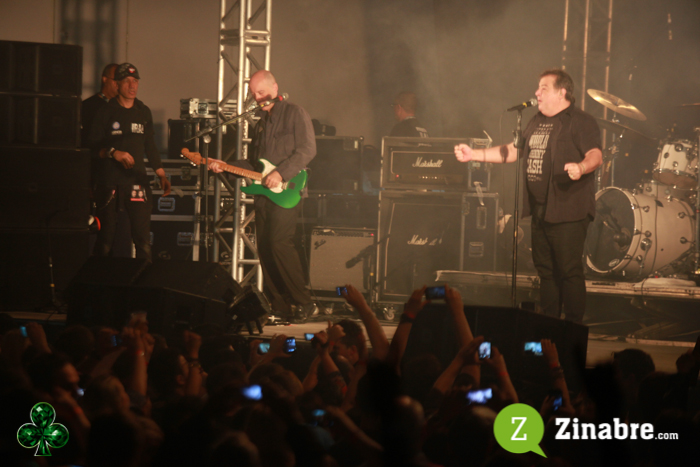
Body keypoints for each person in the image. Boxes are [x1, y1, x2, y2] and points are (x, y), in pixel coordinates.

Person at [454, 69, 602, 324]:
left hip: (569, 209)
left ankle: (573, 328)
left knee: (568, 271)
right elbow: (513, 151)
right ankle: (549, 325)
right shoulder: (536, 121)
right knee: (546, 272)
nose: (537, 93)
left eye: (544, 88)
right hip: (541, 209)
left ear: (562, 92)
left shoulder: (580, 121)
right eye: (538, 87)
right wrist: (474, 155)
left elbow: (596, 155)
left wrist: (581, 167)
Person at [209, 70, 317, 323]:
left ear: (275, 88)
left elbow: (307, 149)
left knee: (279, 242)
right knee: (266, 247)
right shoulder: (260, 124)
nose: (258, 97)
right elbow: (255, 165)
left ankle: (305, 303)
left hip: (289, 189)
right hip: (264, 194)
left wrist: (280, 173)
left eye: (261, 92)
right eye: (253, 94)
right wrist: (224, 165)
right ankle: (281, 305)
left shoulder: (295, 113)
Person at [90, 63, 171, 261]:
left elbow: (150, 145)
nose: (132, 85)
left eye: (135, 81)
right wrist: (113, 152)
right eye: (127, 81)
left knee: (143, 241)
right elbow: (92, 148)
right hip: (110, 183)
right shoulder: (105, 111)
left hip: (137, 182)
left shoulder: (143, 111)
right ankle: (99, 277)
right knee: (106, 240)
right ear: (117, 84)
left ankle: (143, 278)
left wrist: (161, 174)